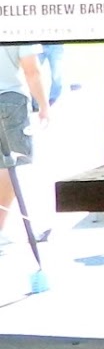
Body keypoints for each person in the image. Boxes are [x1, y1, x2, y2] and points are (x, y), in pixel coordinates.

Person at [0, 43, 49, 249]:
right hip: (9, 98)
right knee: (10, 164)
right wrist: (44, 105)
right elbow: (32, 71)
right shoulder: (18, 27)